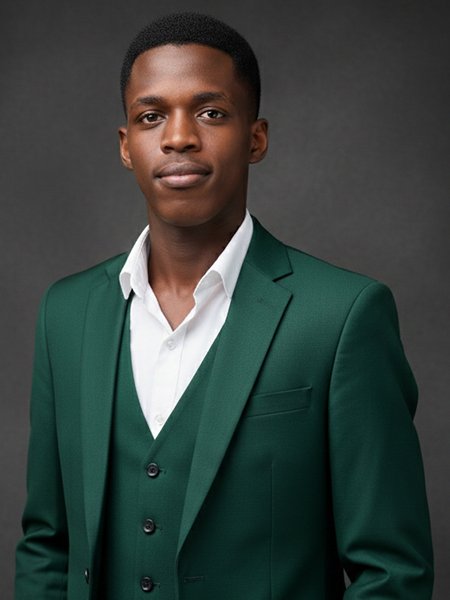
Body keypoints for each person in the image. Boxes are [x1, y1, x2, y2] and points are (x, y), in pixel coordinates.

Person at [15, 12, 433, 600]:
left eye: (210, 113)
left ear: (256, 138)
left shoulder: (342, 316)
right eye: (151, 116)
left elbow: (392, 573)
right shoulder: (66, 313)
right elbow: (47, 545)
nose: (178, 137)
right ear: (127, 146)